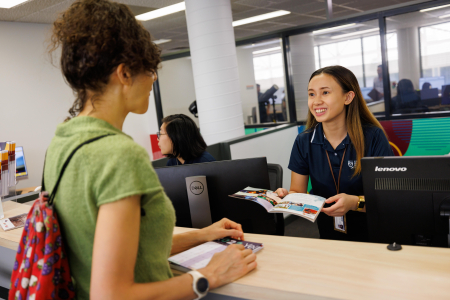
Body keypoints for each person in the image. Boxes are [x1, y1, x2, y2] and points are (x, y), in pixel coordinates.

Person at [45, 1, 256, 299]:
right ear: (125, 74)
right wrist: (209, 275)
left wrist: (204, 235)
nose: (153, 79)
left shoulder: (62, 141)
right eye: (150, 70)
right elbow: (112, 295)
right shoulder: (119, 155)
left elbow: (126, 251)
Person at [276, 65, 394, 242]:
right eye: (311, 94)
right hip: (328, 235)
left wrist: (354, 203)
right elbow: (297, 192)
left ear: (348, 97)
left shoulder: (373, 137)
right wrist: (286, 197)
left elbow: (388, 198)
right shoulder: (304, 141)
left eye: (325, 93)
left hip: (373, 235)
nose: (316, 102)